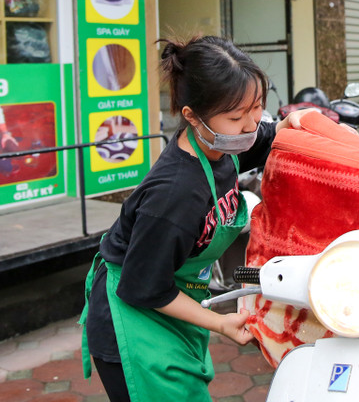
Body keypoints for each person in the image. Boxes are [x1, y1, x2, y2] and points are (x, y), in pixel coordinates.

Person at [79, 35, 311, 402]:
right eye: (236, 117)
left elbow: (267, 137)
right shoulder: (175, 195)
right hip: (134, 320)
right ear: (192, 116)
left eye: (256, 107)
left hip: (173, 301)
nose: (250, 124)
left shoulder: (220, 145)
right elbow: (143, 287)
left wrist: (301, 122)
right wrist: (221, 322)